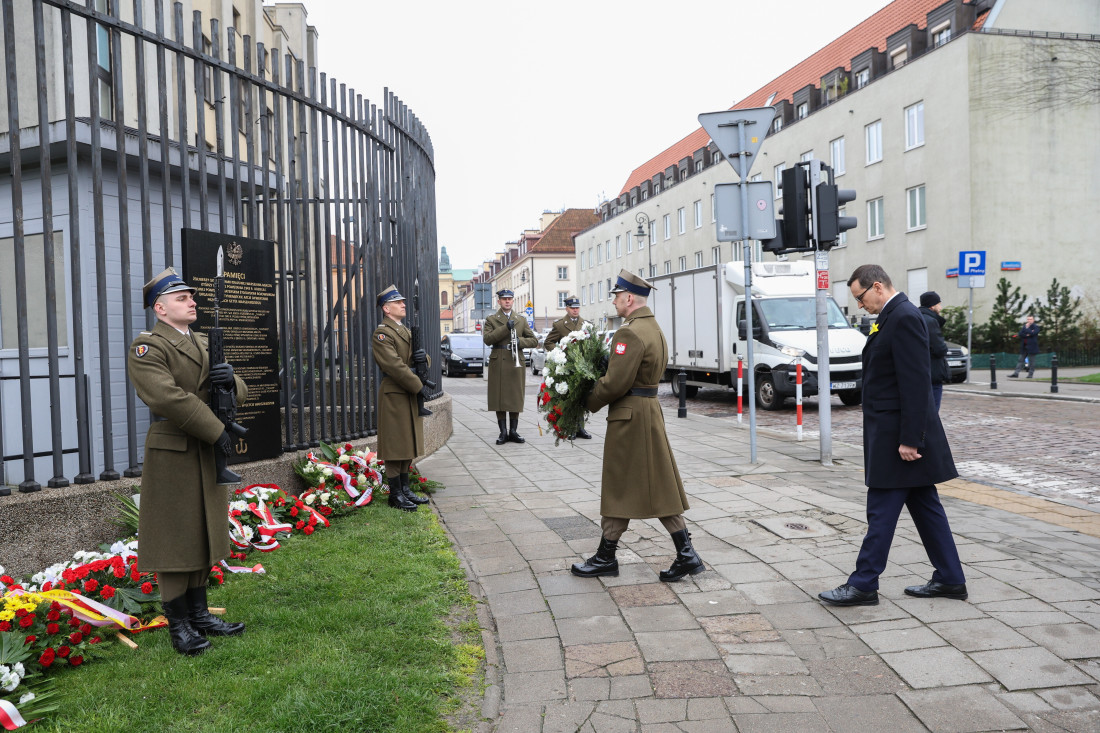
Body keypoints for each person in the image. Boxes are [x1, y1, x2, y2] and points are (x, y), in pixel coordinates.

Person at [819, 265, 966, 607]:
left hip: (899, 439)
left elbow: (916, 384)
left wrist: (911, 439)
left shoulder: (904, 318)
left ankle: (863, 583)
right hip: (895, 433)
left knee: (881, 511)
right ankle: (950, 578)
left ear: (878, 287)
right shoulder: (894, 317)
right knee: (926, 508)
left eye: (860, 297)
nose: (860, 305)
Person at [127, 268, 248, 656]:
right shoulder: (148, 347)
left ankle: (199, 614)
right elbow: (167, 398)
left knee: (201, 531)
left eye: (191, 296)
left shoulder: (201, 341)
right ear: (160, 309)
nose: (192, 301)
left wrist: (231, 381)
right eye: (182, 298)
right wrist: (217, 431)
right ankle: (179, 625)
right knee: (174, 538)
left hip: (202, 448)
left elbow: (236, 389)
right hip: (176, 448)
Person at [572, 270, 703, 582]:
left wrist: (585, 400)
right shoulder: (654, 328)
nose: (615, 302)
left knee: (624, 483)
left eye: (617, 297)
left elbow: (616, 382)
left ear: (629, 298)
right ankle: (682, 554)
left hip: (629, 416)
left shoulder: (629, 333)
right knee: (653, 484)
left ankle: (609, 557)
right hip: (647, 412)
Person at [371, 285, 432, 512]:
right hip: (396, 393)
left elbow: (418, 358)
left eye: (403, 302)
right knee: (395, 444)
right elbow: (394, 366)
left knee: (407, 441)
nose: (403, 304)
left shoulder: (403, 330)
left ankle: (405, 489)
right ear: (386, 309)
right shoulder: (382, 333)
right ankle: (395, 494)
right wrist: (419, 387)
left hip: (406, 392)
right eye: (398, 302)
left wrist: (423, 359)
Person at [483, 288, 538, 445]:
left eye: (510, 299)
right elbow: (488, 339)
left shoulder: (521, 319)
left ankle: (513, 431)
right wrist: (506, 327)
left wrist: (520, 342)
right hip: (498, 361)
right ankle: (503, 432)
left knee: (515, 396)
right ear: (499, 301)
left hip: (516, 361)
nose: (507, 301)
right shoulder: (491, 319)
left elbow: (534, 340)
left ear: (513, 301)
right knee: (499, 397)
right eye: (504, 299)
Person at [544, 295, 592, 439]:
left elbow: (591, 343)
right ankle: (570, 428)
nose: (575, 310)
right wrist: (561, 351)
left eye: (577, 308)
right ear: (567, 308)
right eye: (572, 308)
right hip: (567, 367)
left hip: (581, 366)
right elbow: (548, 343)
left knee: (581, 397)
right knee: (569, 397)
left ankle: (580, 428)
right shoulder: (559, 325)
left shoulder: (586, 324)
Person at [918, 291, 949, 410]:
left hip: (920, 372)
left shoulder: (917, 317)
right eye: (939, 304)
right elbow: (940, 348)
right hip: (933, 372)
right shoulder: (930, 321)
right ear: (932, 306)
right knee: (933, 410)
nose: (940, 307)